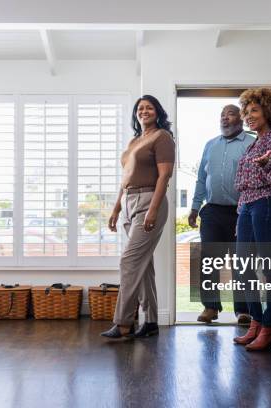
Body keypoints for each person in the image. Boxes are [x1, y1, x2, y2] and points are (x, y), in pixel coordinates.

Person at [101, 95, 175, 339]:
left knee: (129, 262)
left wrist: (153, 210)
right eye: (140, 108)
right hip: (129, 202)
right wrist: (116, 208)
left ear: (158, 112)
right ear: (136, 114)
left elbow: (164, 176)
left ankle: (123, 323)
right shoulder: (135, 140)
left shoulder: (162, 137)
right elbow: (126, 177)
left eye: (149, 107)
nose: (144, 111)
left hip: (148, 200)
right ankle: (151, 321)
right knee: (142, 265)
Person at [232, 88, 271, 351]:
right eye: (246, 112)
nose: (248, 116)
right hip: (247, 205)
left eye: (254, 110)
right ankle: (255, 322)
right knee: (243, 267)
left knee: (268, 268)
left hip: (266, 203)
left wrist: (265, 166)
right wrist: (241, 207)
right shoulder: (254, 143)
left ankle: (268, 328)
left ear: (269, 111)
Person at [189, 105, 254, 325]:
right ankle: (210, 307)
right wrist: (195, 207)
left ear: (241, 119)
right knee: (209, 260)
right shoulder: (210, 145)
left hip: (241, 211)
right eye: (222, 115)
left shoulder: (251, 143)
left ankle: (243, 310)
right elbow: (201, 179)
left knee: (242, 263)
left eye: (230, 113)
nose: (225, 118)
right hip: (213, 211)